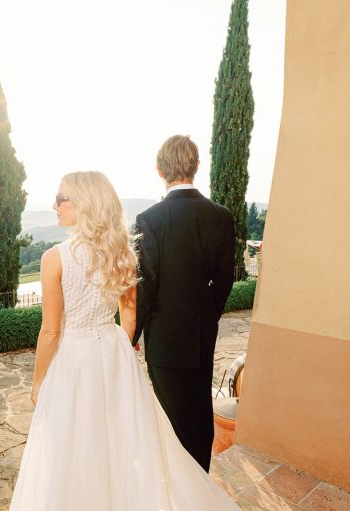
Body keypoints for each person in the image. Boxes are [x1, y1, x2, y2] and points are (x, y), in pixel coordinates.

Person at [10, 171, 238, 510]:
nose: (54, 205)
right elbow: (128, 318)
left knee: (73, 441)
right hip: (113, 350)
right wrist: (118, 351)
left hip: (72, 359)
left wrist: (39, 381)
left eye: (61, 198)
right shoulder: (120, 255)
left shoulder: (54, 259)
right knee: (122, 437)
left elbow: (51, 332)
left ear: (83, 204)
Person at [133, 135, 236, 472]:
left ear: (159, 169)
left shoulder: (150, 219)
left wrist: (132, 333)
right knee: (199, 413)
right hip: (202, 335)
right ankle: (200, 481)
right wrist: (207, 316)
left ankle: (181, 489)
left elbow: (145, 285)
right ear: (197, 166)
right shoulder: (221, 216)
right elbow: (224, 280)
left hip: (164, 339)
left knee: (171, 419)